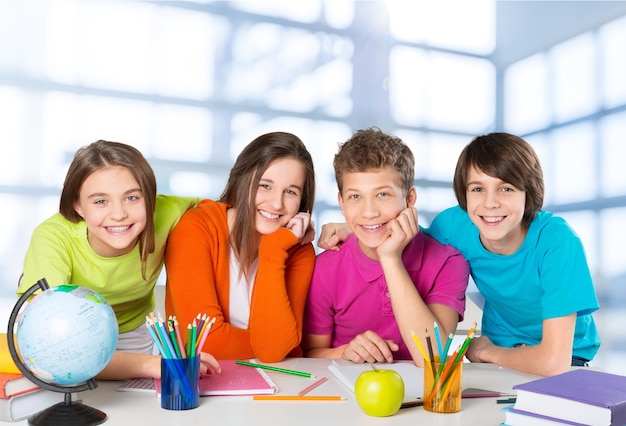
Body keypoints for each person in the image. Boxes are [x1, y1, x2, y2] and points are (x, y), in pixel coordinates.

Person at [318, 132, 600, 377]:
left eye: (506, 188)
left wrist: (489, 352)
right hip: (498, 349)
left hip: (561, 357)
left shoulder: (559, 243)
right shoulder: (455, 226)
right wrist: (360, 227)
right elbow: (407, 233)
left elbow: (553, 363)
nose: (490, 204)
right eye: (478, 189)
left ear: (530, 192)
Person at [17, 140, 221, 380]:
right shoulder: (53, 238)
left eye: (132, 198)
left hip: (134, 335)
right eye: (100, 201)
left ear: (150, 198)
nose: (118, 214)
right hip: (70, 343)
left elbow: (225, 217)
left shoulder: (169, 212)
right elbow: (49, 346)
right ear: (78, 205)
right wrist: (151, 365)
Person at [302, 128, 469, 367]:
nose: (369, 212)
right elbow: (308, 354)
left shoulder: (448, 263)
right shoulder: (325, 268)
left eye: (382, 194)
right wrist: (345, 352)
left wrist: (391, 259)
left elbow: (434, 359)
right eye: (355, 197)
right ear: (341, 203)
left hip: (422, 396)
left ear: (410, 199)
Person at [164, 131, 316, 362]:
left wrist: (273, 251)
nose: (277, 203)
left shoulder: (297, 248)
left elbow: (275, 350)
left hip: (276, 382)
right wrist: (274, 345)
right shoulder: (196, 229)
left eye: (290, 191)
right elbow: (205, 342)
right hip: (201, 384)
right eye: (265, 185)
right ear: (242, 180)